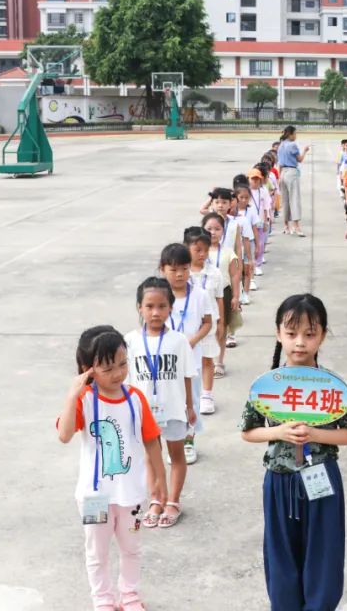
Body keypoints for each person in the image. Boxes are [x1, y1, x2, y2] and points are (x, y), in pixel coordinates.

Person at [240, 294, 347, 611]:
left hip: (322, 479)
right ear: (278, 333)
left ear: (322, 335)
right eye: (292, 333)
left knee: (324, 552)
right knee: (281, 552)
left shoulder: (332, 386)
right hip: (279, 480)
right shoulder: (268, 385)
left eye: (310, 334)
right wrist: (279, 432)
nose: (300, 342)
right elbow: (248, 431)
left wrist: (316, 433)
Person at [57, 325, 165, 611]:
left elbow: (152, 441)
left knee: (131, 548)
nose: (118, 373)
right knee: (98, 552)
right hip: (95, 497)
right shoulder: (85, 400)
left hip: (131, 493)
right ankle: (103, 600)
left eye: (122, 364)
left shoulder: (135, 398)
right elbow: (65, 434)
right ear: (88, 370)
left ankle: (129, 596)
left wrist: (159, 480)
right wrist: (72, 395)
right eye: (107, 368)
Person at [124, 277, 199, 530]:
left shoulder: (179, 341)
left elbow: (188, 376)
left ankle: (173, 501)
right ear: (139, 308)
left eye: (162, 306)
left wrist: (190, 406)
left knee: (176, 455)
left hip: (174, 409)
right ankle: (156, 499)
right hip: (144, 412)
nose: (155, 312)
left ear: (170, 307)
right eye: (149, 306)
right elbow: (126, 379)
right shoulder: (130, 341)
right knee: (150, 456)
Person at [159, 243, 212, 464]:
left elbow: (208, 323)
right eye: (173, 269)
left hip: (192, 359)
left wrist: (191, 341)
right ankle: (172, 440)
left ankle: (189, 439)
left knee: (192, 399)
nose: (180, 274)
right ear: (162, 270)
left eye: (184, 268)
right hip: (166, 361)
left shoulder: (200, 295)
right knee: (169, 399)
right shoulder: (158, 297)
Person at [184, 226, 224, 414]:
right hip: (188, 324)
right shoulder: (182, 273)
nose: (202, 254)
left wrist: (221, 322)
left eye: (206, 250)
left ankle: (206, 394)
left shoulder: (214, 273)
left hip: (208, 323)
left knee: (208, 359)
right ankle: (187, 395)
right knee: (187, 361)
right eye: (197, 249)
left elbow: (219, 298)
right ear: (186, 248)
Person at [202, 212, 241, 375]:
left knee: (221, 327)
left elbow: (234, 275)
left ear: (223, 231)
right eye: (209, 228)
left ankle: (219, 362)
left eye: (217, 229)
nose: (213, 232)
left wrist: (236, 296)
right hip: (203, 294)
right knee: (202, 327)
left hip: (223, 293)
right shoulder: (197, 251)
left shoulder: (227, 252)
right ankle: (204, 360)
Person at [277, 125, 311, 236]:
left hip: (283, 173)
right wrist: (305, 151)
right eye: (295, 134)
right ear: (290, 134)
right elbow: (300, 159)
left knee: (285, 200)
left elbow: (280, 164)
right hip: (291, 172)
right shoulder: (292, 145)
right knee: (294, 199)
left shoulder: (281, 145)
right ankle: (296, 226)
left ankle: (286, 226)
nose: (296, 136)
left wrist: (278, 177)